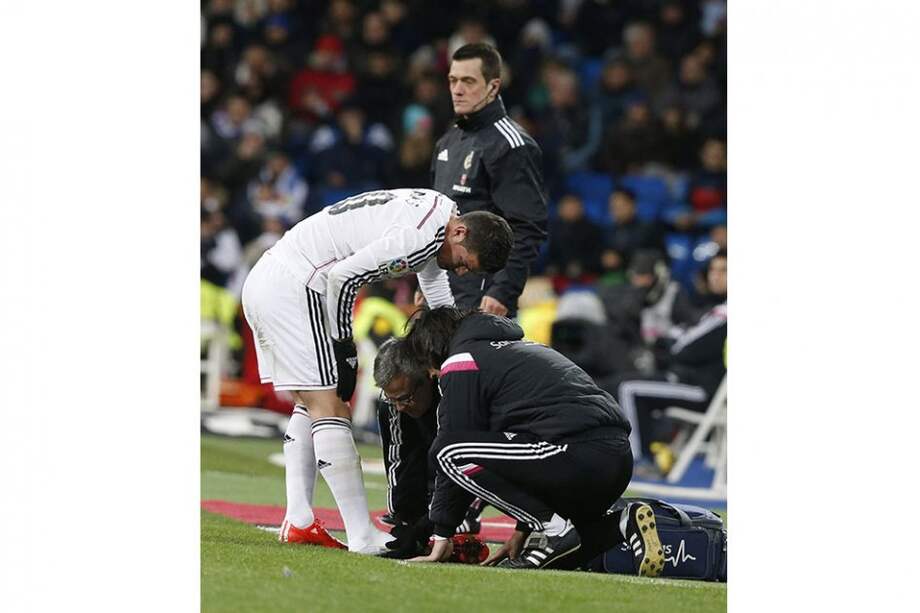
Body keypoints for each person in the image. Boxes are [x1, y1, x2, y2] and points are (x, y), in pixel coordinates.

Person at [240, 188, 512, 554]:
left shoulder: (440, 211)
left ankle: (300, 519)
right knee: (333, 405)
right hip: (297, 286)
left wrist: (455, 340)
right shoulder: (419, 238)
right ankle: (362, 536)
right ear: (460, 233)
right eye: (465, 261)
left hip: (276, 278)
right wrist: (345, 346)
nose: (461, 269)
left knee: (311, 403)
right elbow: (343, 278)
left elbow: (432, 281)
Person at [402, 307, 665, 576]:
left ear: (430, 347)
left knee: (448, 451)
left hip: (574, 454)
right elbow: (520, 455)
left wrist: (442, 534)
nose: (432, 375)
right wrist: (522, 530)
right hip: (615, 459)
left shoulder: (462, 360)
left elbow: (454, 441)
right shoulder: (521, 348)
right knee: (557, 555)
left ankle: (552, 528)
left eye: (426, 366)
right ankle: (622, 523)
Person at [431, 43, 548, 318]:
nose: (457, 89)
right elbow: (435, 221)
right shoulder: (447, 142)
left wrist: (503, 291)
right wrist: (428, 282)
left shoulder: (512, 146)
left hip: (483, 297)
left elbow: (527, 226)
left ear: (493, 87)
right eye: (452, 80)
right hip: (442, 294)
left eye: (468, 81)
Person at [372, 337, 486, 559]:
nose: (399, 407)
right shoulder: (393, 403)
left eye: (405, 398)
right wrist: (406, 522)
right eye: (391, 398)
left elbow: (475, 459)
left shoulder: (455, 391)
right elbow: (399, 460)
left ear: (427, 378)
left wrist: (435, 521)